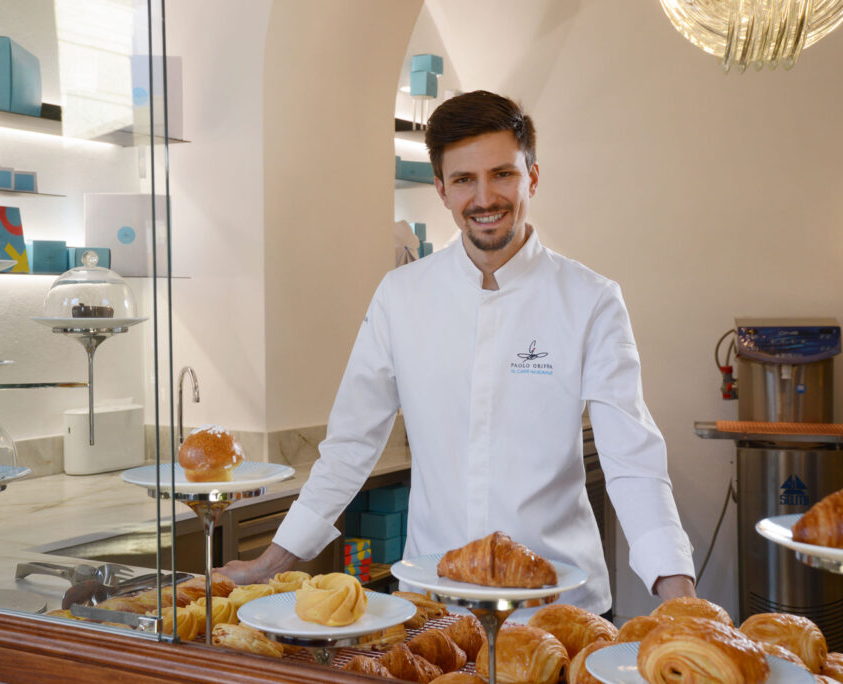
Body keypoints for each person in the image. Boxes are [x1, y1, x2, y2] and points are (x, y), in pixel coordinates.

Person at [219, 91, 696, 615]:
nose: (485, 197)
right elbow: (351, 444)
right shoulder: (400, 297)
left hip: (561, 610)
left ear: (532, 177)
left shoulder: (591, 299)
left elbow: (631, 459)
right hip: (434, 610)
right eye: (465, 179)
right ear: (442, 190)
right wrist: (271, 563)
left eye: (503, 174)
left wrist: (680, 598)